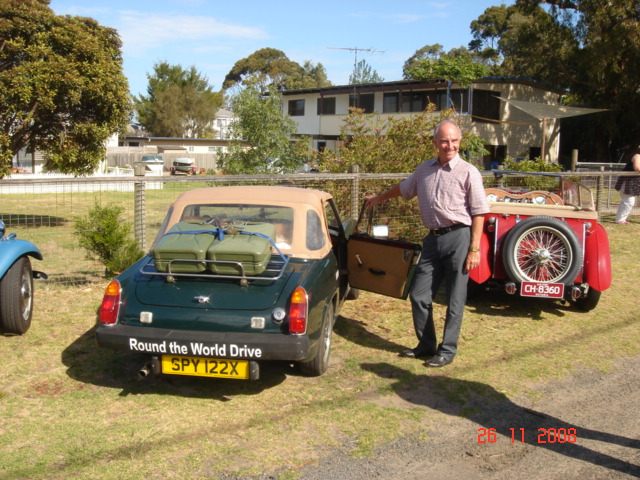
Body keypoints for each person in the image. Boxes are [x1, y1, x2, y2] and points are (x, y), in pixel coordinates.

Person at [365, 120, 490, 368]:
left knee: (455, 298)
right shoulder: (424, 170)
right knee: (419, 294)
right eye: (444, 140)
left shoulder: (469, 172)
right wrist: (378, 198)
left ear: (459, 142)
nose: (449, 145)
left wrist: (474, 249)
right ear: (435, 143)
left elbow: (479, 213)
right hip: (432, 239)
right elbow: (403, 189)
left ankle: (447, 350)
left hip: (459, 237)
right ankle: (426, 345)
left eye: (454, 140)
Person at [615, 148, 640, 224]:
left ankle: (620, 219)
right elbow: (637, 168)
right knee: (629, 201)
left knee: (626, 201)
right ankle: (620, 220)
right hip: (627, 182)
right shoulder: (637, 156)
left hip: (633, 184)